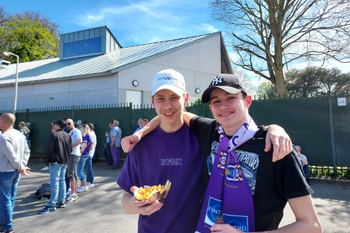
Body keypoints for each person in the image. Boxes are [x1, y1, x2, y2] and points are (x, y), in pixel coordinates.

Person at [118, 69, 292, 233]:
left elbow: (238, 127)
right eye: (160, 98)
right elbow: (125, 200)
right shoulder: (139, 145)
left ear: (185, 98)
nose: (167, 105)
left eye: (174, 97)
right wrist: (135, 205)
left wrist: (273, 128)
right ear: (152, 101)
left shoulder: (205, 137)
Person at [188, 74, 321, 232]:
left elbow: (311, 226)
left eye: (230, 98)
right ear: (211, 108)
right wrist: (149, 127)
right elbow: (176, 114)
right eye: (216, 101)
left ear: (248, 101)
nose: (223, 106)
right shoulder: (210, 131)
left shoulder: (276, 146)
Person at [0, 113, 31, 233]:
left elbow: (11, 155)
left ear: (4, 122)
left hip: (5, 172)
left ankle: (6, 226)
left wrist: (20, 166)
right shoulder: (20, 134)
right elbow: (27, 151)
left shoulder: (4, 137)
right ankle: (6, 222)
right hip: (15, 171)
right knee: (10, 198)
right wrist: (21, 166)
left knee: (4, 200)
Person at [39, 119, 71, 214]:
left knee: (55, 182)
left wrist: (48, 161)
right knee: (62, 181)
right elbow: (70, 148)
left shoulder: (54, 135)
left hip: (56, 161)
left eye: (54, 125)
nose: (53, 126)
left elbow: (50, 150)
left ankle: (51, 204)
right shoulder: (67, 135)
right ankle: (61, 201)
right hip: (64, 160)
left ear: (57, 125)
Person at [65, 118, 82, 202]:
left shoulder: (76, 131)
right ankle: (74, 192)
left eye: (69, 123)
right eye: (66, 124)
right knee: (73, 173)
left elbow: (80, 141)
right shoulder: (71, 132)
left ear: (73, 123)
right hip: (72, 154)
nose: (67, 125)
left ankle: (73, 193)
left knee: (70, 174)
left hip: (74, 154)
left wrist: (71, 146)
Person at [76, 124, 92, 193]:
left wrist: (80, 153)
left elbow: (84, 145)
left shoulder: (85, 135)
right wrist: (87, 151)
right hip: (86, 154)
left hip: (83, 155)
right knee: (82, 170)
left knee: (79, 171)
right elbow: (91, 145)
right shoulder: (88, 135)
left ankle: (84, 185)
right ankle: (83, 185)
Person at [85, 123, 96, 189]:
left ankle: (91, 182)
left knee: (89, 167)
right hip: (88, 153)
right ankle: (88, 181)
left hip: (89, 153)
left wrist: (87, 151)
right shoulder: (89, 134)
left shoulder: (91, 134)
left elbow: (91, 145)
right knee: (87, 167)